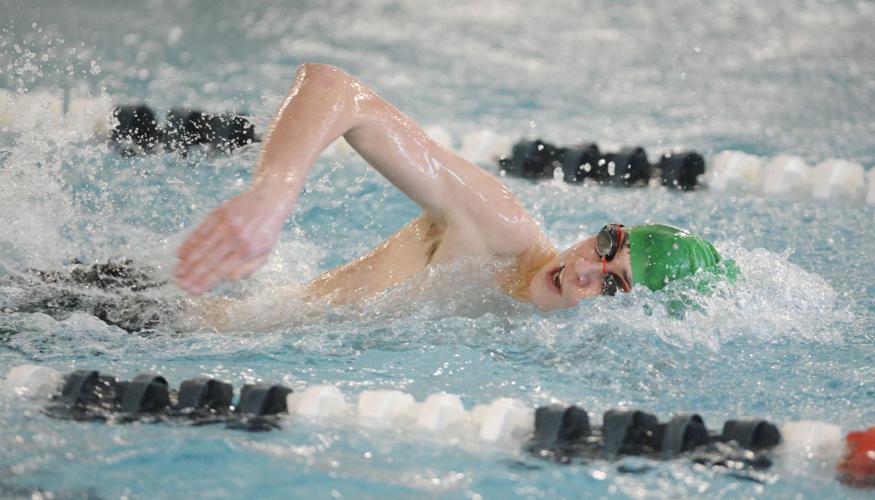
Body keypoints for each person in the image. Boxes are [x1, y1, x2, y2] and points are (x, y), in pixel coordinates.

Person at [173, 63, 723, 312]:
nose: (583, 268)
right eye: (607, 246)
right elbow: (335, 88)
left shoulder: (525, 326)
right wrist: (273, 194)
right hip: (165, 318)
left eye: (612, 286)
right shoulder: (499, 231)